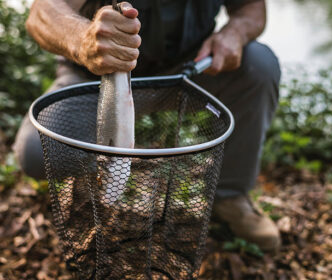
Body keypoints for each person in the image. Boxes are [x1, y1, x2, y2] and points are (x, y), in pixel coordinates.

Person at [14, 0, 281, 252]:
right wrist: (84, 39)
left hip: (193, 70)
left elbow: (252, 9)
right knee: (37, 151)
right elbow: (41, 13)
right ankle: (89, 180)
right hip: (97, 76)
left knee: (259, 65)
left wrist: (235, 32)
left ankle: (231, 198)